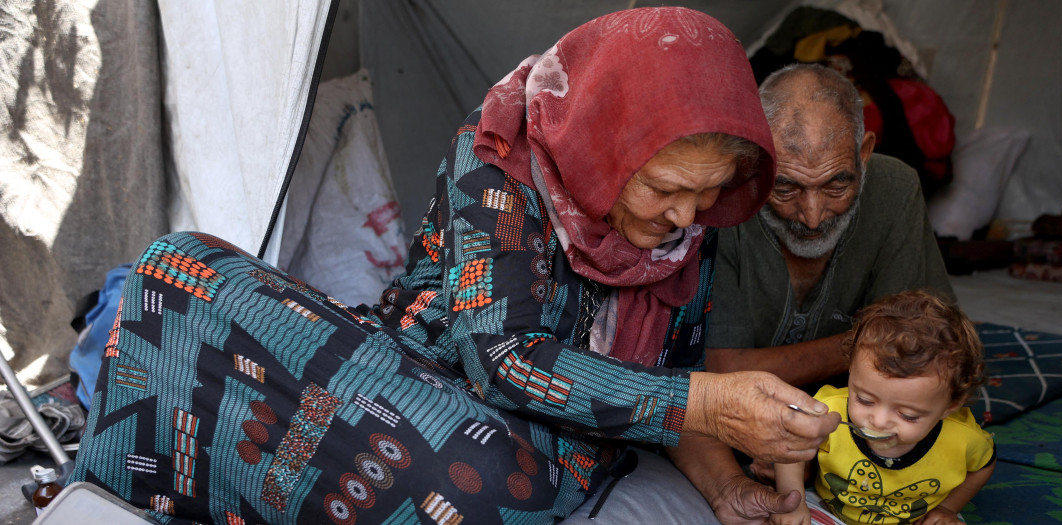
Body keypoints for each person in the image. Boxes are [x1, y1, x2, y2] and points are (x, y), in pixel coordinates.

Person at [68, 8, 839, 524]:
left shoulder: (688, 230)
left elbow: (673, 382)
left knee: (480, 471)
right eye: (667, 188)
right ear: (609, 141)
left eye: (705, 197)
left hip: (529, 448)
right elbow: (502, 358)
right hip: (409, 368)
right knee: (178, 267)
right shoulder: (501, 156)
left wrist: (729, 489)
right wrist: (705, 401)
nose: (684, 219)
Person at [705, 63, 955, 389]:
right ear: (755, 159)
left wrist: (900, 340)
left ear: (863, 154)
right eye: (786, 188)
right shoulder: (724, 199)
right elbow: (724, 373)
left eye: (836, 186)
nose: (812, 216)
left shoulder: (895, 187)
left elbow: (927, 343)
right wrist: (874, 341)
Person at [771, 290, 994, 525]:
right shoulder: (828, 412)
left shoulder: (963, 438)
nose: (878, 421)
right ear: (851, 372)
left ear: (950, 405)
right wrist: (791, 503)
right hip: (829, 512)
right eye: (864, 400)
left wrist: (948, 508)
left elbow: (983, 466)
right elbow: (792, 447)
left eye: (908, 415)